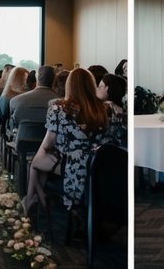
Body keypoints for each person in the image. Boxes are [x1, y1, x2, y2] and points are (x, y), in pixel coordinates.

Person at [23, 67, 125, 217]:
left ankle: (34, 199)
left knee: (35, 162)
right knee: (38, 163)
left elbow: (47, 144)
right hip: (102, 167)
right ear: (92, 86)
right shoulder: (108, 109)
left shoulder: (59, 108)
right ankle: (35, 199)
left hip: (73, 166)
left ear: (69, 86)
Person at [8, 65, 58, 132]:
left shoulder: (15, 101)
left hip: (23, 140)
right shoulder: (61, 104)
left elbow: (12, 127)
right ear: (54, 80)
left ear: (37, 79)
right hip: (51, 141)